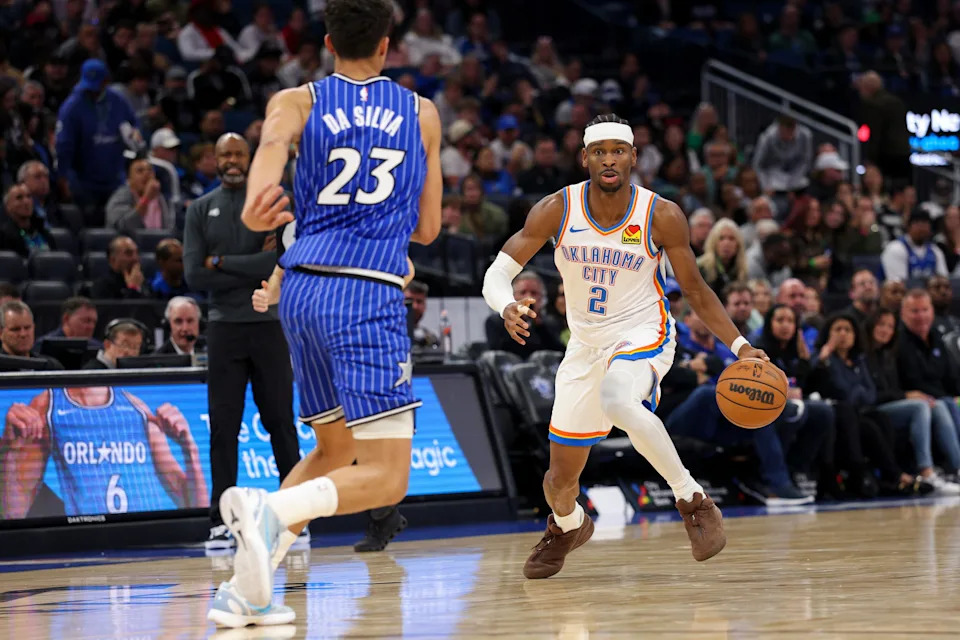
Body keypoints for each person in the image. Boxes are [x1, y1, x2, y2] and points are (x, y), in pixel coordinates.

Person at [206, 0, 442, 627]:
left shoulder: (297, 100)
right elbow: (427, 227)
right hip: (366, 291)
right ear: (389, 45)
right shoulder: (421, 114)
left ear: (329, 41)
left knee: (334, 450)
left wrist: (258, 206)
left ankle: (246, 590)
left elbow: (267, 165)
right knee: (388, 479)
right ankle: (270, 512)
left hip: (303, 290)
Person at [481, 113, 770, 582]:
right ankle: (569, 526)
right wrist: (505, 304)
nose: (609, 159)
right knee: (558, 483)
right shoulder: (558, 208)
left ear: (634, 157)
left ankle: (692, 500)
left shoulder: (662, 214)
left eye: (618, 150)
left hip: (644, 332)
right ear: (585, 158)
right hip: (585, 346)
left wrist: (740, 345)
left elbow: (695, 290)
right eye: (599, 152)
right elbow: (498, 271)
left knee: (617, 398)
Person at [182, 133, 301, 553]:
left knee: (282, 424)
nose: (232, 160)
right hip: (224, 327)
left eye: (238, 154)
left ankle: (294, 518)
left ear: (250, 160)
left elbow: (277, 261)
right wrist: (245, 265)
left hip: (269, 325)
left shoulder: (271, 205)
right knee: (224, 429)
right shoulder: (199, 209)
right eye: (225, 154)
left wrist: (220, 261)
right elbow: (194, 275)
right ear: (213, 160)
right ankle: (221, 521)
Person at [0, 376, 207, 519]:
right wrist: (9, 450)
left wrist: (190, 449)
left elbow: (196, 505)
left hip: (150, 543)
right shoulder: (47, 407)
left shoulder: (137, 408)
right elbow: (12, 513)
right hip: (86, 543)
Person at [811, 313, 932, 496]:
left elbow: (871, 394)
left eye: (848, 330)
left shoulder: (859, 360)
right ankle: (893, 476)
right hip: (840, 415)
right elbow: (841, 390)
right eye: (838, 329)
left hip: (860, 411)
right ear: (828, 333)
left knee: (881, 418)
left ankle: (886, 478)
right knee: (868, 426)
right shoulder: (823, 360)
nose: (843, 334)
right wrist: (825, 356)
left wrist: (857, 392)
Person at [864, 309, 960, 494]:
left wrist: (906, 394)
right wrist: (905, 396)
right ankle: (926, 471)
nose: (885, 330)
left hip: (892, 404)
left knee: (939, 404)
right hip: (874, 409)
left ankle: (957, 467)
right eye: (881, 325)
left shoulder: (887, 355)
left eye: (890, 326)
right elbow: (872, 394)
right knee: (920, 406)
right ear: (870, 326)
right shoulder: (863, 355)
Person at [55, 58, 140, 226]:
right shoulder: (72, 106)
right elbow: (64, 145)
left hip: (115, 177)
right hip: (83, 181)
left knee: (117, 224)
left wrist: (136, 132)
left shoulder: (118, 100)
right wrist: (62, 177)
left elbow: (134, 123)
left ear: (106, 81)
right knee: (90, 225)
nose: (93, 91)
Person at [483, 271, 565, 357]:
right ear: (513, 296)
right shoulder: (496, 322)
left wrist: (539, 326)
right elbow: (499, 355)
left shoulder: (551, 324)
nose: (528, 297)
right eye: (523, 292)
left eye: (534, 293)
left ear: (541, 298)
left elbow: (558, 354)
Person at [105, 153, 175, 234]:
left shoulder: (160, 197)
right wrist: (146, 198)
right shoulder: (121, 196)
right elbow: (124, 227)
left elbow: (169, 229)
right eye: (140, 171)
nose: (146, 174)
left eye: (150, 170)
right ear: (129, 179)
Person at [881, 209, 948, 283]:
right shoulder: (896, 248)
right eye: (918, 224)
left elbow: (944, 280)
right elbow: (897, 285)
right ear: (908, 226)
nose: (922, 229)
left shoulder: (935, 250)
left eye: (925, 224)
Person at [0, 301, 63, 370]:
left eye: (27, 328)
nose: (23, 334)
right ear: (1, 333)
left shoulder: (50, 367)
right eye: (15, 329)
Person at [0, 183, 55, 258]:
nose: (26, 201)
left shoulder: (43, 232)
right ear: (8, 207)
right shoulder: (3, 237)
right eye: (19, 198)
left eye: (29, 196)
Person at [33, 296, 101, 352]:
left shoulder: (98, 348)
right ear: (66, 319)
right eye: (86, 321)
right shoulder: (44, 346)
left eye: (94, 322)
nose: (91, 327)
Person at [405, 280, 439, 349]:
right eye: (409, 300)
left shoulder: (431, 339)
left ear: (425, 306)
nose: (414, 306)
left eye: (419, 301)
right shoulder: (389, 336)